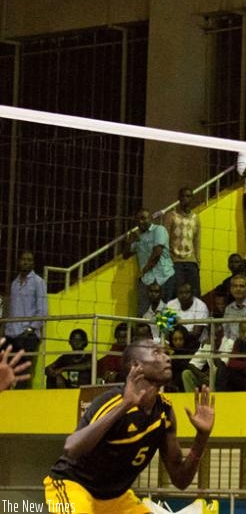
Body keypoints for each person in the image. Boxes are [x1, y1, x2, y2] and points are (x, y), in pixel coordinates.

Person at [44, 339, 215, 513]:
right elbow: (71, 448)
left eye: (165, 352)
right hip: (73, 485)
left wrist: (201, 437)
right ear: (136, 366)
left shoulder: (164, 411)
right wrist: (125, 405)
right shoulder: (111, 401)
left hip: (115, 498)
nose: (167, 358)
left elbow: (180, 481)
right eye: (157, 352)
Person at [2, 250, 48, 388]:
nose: (26, 262)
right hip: (11, 334)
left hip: (28, 335)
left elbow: (42, 310)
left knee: (23, 372)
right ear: (18, 262)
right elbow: (11, 310)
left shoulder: (38, 282)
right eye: (24, 259)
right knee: (6, 370)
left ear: (33, 263)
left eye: (29, 260)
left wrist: (30, 330)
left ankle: (21, 398)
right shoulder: (14, 283)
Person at [124, 208, 176, 316]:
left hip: (164, 277)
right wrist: (129, 242)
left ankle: (162, 328)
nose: (140, 221)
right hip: (147, 280)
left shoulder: (159, 230)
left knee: (166, 314)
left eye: (143, 218)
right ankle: (145, 327)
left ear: (150, 219)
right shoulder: (138, 237)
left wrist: (144, 270)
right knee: (143, 313)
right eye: (138, 219)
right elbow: (125, 255)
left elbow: (157, 253)